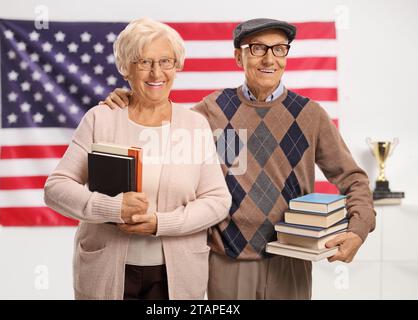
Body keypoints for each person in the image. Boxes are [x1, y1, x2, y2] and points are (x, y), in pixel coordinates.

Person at [101, 18, 376, 300]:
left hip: (291, 259)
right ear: (238, 56)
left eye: (279, 49)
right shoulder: (210, 110)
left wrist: (358, 229)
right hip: (226, 260)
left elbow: (353, 179)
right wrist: (132, 100)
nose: (269, 58)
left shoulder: (310, 115)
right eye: (257, 48)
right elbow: (156, 126)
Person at [44, 18, 231, 300]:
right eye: (143, 62)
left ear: (176, 66)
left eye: (166, 61)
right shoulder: (101, 119)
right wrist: (114, 208)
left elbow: (217, 201)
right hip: (105, 273)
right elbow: (56, 189)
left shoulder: (195, 125)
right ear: (125, 68)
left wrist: (160, 223)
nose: (156, 72)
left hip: (178, 276)